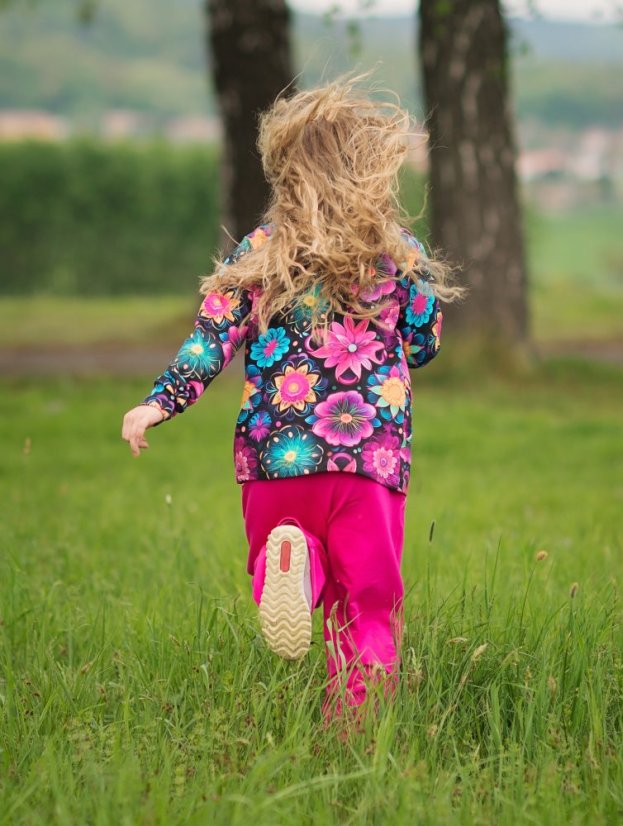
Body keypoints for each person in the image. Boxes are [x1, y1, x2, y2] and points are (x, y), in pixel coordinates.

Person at [122, 77, 461, 719]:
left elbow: (209, 341)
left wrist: (157, 403)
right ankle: (354, 733)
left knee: (290, 561)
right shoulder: (397, 256)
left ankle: (292, 562)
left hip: (275, 465)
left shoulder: (259, 252)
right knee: (366, 608)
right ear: (373, 171)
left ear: (284, 168)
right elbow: (424, 344)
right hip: (367, 464)